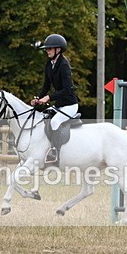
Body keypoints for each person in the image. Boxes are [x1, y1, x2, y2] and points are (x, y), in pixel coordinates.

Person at [30, 33, 79, 163]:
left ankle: (55, 152)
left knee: (55, 122)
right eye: (46, 49)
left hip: (70, 105)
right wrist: (38, 98)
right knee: (43, 118)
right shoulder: (49, 65)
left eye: (49, 48)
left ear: (58, 49)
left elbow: (67, 90)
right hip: (59, 105)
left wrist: (49, 97)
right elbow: (46, 85)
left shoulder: (64, 65)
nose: (47, 51)